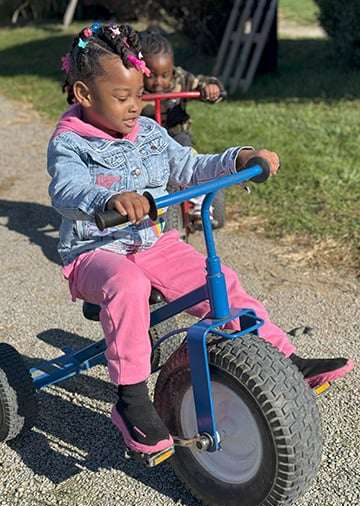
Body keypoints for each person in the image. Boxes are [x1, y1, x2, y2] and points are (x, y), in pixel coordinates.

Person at [48, 22, 354, 457]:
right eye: (122, 98)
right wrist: (111, 197)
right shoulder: (70, 143)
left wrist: (239, 159)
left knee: (219, 281)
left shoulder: (150, 133)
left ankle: (284, 360)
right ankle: (131, 399)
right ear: (83, 94)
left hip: (151, 243)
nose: (136, 106)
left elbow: (191, 166)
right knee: (127, 286)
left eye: (139, 94)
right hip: (95, 252)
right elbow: (65, 190)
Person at [139, 28, 225, 227]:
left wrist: (210, 88)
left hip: (177, 135)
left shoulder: (181, 79)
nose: (159, 82)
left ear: (172, 69)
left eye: (165, 75)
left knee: (188, 155)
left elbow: (202, 83)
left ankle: (198, 202)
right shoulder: (135, 87)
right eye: (151, 75)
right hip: (146, 141)